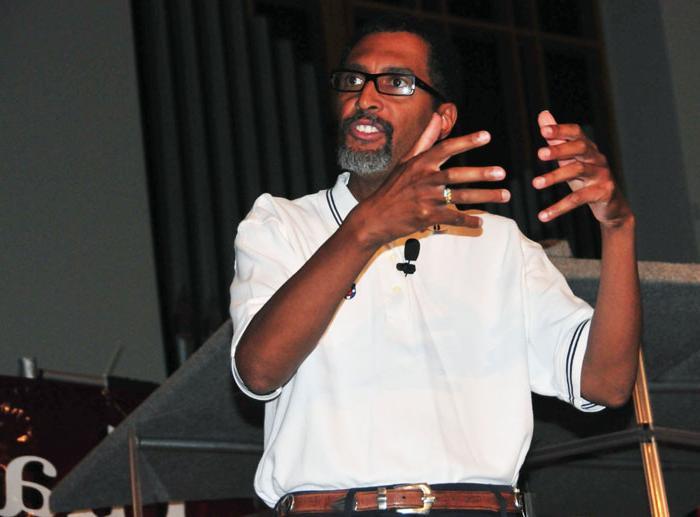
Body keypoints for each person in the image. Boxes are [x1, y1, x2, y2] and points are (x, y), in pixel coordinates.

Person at [230, 15, 641, 517]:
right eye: (353, 80)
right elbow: (257, 371)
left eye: (397, 83)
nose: (366, 98)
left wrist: (618, 229)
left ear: (441, 120)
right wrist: (367, 228)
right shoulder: (281, 223)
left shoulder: (497, 243)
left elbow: (607, 383)